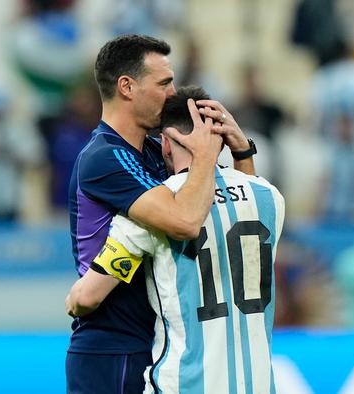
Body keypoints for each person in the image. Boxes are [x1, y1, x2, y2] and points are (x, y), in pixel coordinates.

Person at [66, 35, 257, 394]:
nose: (172, 94)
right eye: (164, 83)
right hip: (114, 348)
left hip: (162, 344)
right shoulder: (104, 158)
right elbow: (184, 222)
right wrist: (203, 155)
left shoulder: (157, 151)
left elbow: (241, 211)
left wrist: (242, 151)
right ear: (127, 87)